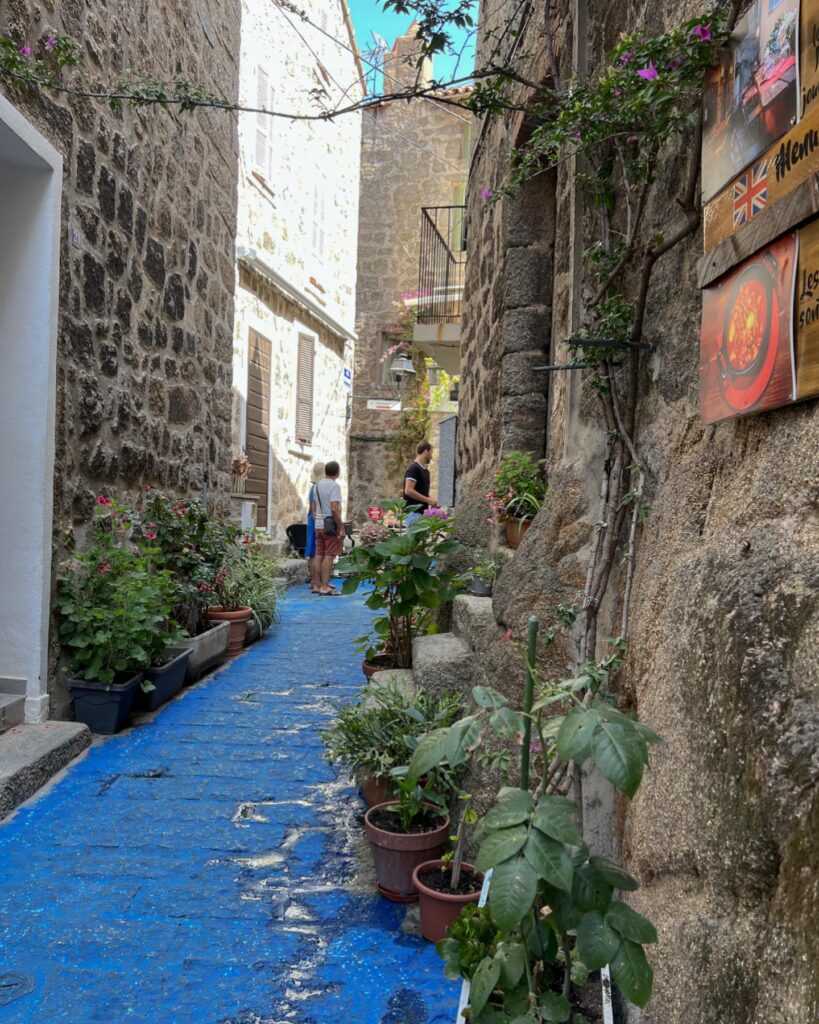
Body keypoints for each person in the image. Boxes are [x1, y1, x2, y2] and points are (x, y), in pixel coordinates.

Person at [312, 461, 344, 595]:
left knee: (319, 554)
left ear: (325, 471)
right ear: (337, 472)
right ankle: (325, 586)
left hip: (318, 524)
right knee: (329, 555)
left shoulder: (317, 486)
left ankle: (317, 585)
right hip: (329, 525)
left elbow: (313, 508)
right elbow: (334, 508)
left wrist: (317, 521)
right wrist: (341, 527)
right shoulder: (334, 486)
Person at [403, 440, 437, 520]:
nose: (431, 456)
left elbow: (422, 492)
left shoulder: (426, 471)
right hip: (413, 514)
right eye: (431, 453)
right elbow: (408, 490)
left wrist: (432, 500)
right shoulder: (414, 468)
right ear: (426, 452)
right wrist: (428, 500)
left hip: (421, 514)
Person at [305, 462, 325, 593]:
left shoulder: (313, 487)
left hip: (313, 521)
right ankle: (316, 581)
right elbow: (315, 509)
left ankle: (315, 581)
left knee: (313, 551)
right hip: (316, 522)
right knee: (316, 552)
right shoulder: (318, 487)